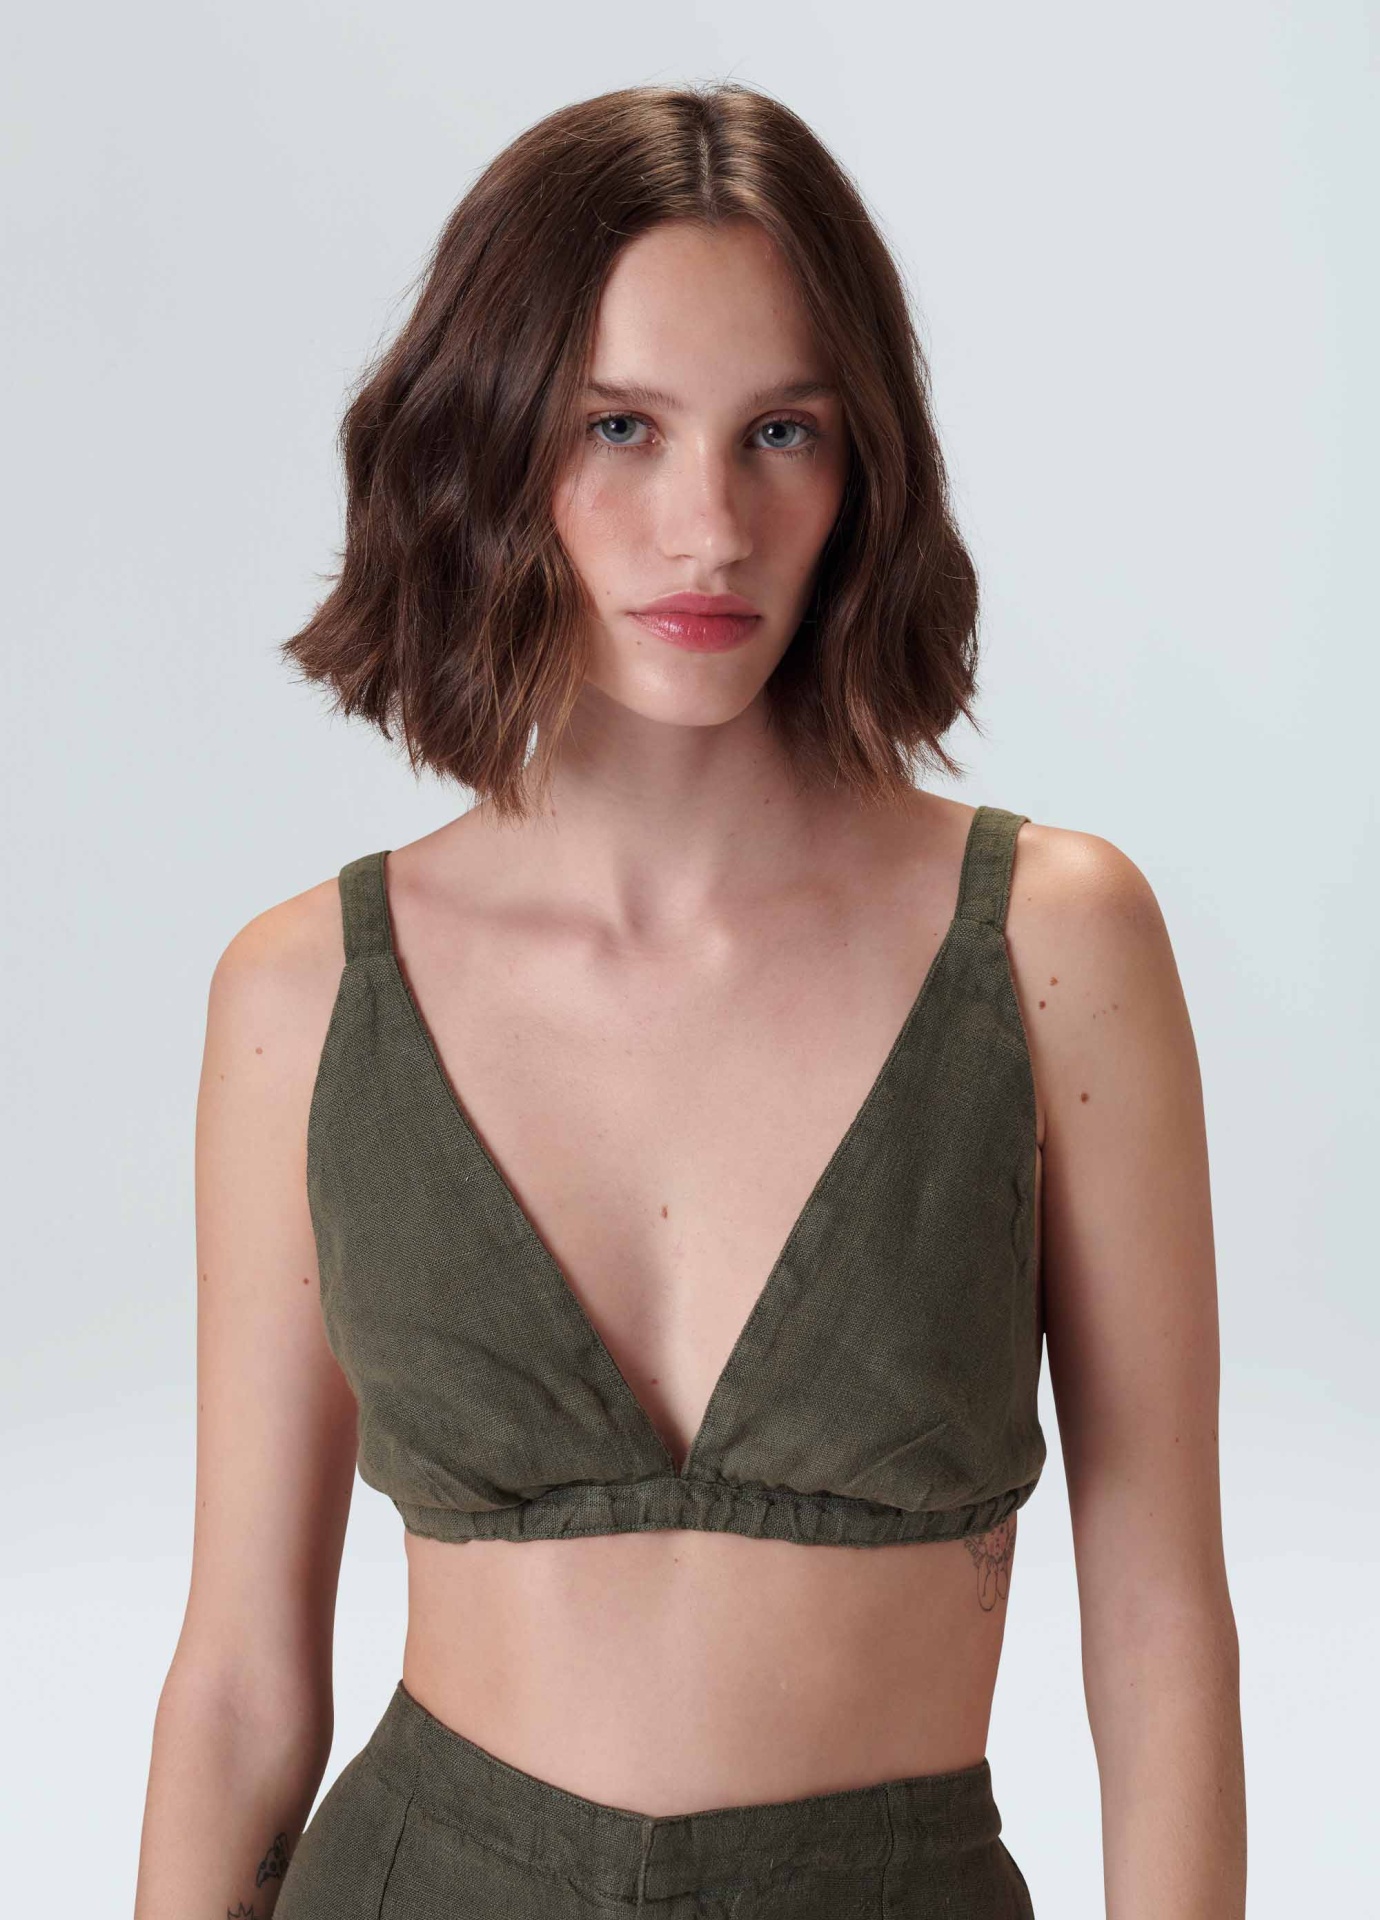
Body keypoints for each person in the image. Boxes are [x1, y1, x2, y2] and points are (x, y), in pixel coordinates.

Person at [133, 81, 1245, 1920]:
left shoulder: (1053, 946)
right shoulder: (302, 996)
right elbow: (244, 1679)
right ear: (491, 443)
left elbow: (1161, 1626)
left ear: (865, 468)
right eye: (620, 428)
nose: (709, 525)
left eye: (780, 431)